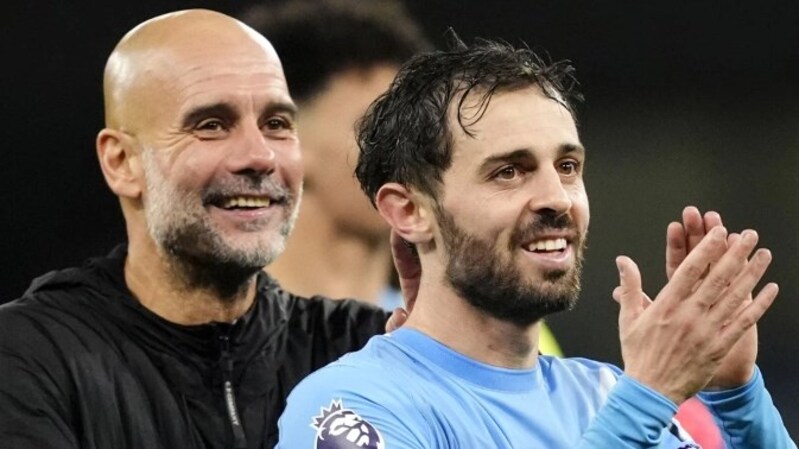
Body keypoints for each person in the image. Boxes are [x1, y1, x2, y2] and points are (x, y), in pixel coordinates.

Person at [276, 36, 795, 448]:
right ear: (409, 211)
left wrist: (737, 397)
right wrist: (647, 396)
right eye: (509, 172)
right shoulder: (354, 406)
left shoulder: (602, 394)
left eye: (567, 166)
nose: (557, 198)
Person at [0, 9, 396, 449]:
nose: (260, 156)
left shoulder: (367, 344)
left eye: (276, 124)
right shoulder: (28, 354)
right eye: (211, 126)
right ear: (122, 162)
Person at [238, 0, 429, 311]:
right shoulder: (206, 329)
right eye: (378, 126)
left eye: (420, 128)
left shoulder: (462, 335)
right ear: (281, 140)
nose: (416, 151)